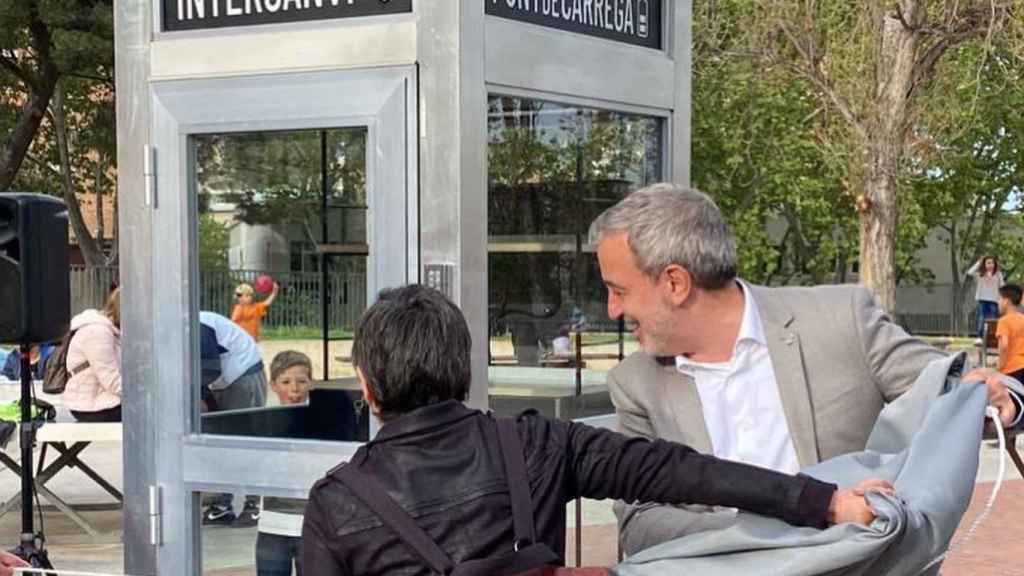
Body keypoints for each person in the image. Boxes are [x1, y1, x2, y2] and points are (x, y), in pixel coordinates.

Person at [301, 285, 887, 576]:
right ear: (462, 371)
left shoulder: (337, 504)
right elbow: (682, 472)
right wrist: (825, 501)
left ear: (368, 385)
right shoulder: (537, 444)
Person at [587, 183, 1022, 555]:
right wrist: (780, 525)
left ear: (675, 283)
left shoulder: (840, 319)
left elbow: (954, 392)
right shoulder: (634, 385)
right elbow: (639, 523)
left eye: (619, 291)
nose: (612, 310)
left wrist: (998, 398)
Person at [199, 310, 268, 526]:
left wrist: (199, 395)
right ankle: (221, 506)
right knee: (220, 441)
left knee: (244, 440)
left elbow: (208, 368)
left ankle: (255, 505)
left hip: (243, 373)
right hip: (222, 380)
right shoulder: (173, 327)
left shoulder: (197, 325)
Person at [257, 350, 314, 576]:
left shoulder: (326, 423)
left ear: (312, 383)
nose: (294, 389)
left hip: (312, 527)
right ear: (273, 385)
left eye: (302, 381)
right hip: (272, 526)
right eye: (286, 381)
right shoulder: (263, 424)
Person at [64, 287, 123, 422]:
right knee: (152, 409)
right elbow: (111, 381)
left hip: (101, 400)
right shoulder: (98, 333)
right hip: (91, 405)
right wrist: (140, 394)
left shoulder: (109, 331)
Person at [967, 256, 1004, 339]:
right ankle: (980, 337)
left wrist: (1002, 298)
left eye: (992, 263)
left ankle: (993, 337)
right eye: (988, 263)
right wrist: (978, 262)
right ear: (984, 265)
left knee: (994, 319)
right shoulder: (980, 274)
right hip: (982, 299)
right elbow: (970, 272)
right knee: (982, 318)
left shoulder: (998, 274)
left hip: (994, 300)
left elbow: (1002, 286)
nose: (990, 265)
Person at [996, 284, 1024, 382]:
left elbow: (1004, 345)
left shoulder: (1004, 321)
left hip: (1011, 369)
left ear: (1006, 302)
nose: (998, 302)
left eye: (999, 299)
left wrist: (1000, 366)